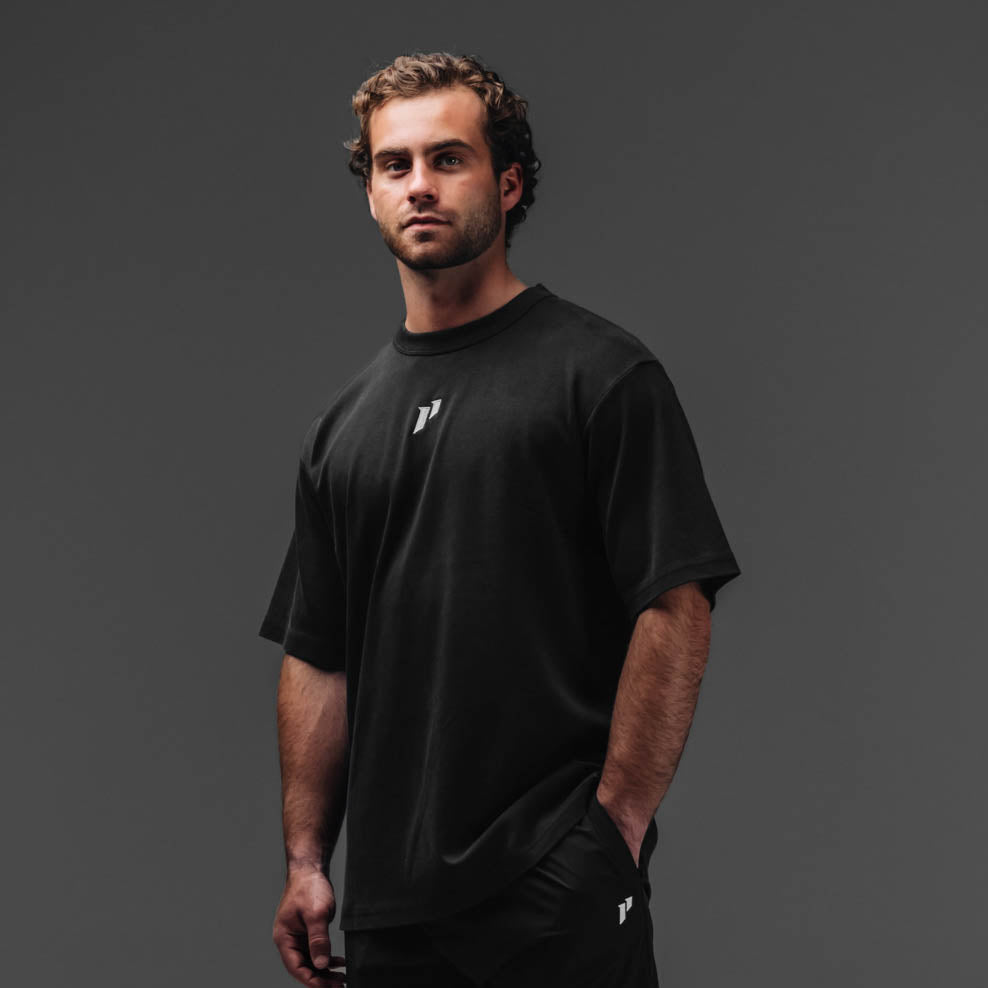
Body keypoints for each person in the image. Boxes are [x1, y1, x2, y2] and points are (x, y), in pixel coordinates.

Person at [259, 50, 741, 987]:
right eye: (394, 165)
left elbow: (676, 606)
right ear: (371, 194)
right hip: (391, 915)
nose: (419, 184)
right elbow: (319, 656)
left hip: (552, 887)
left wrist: (614, 832)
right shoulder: (341, 430)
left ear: (509, 183)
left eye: (449, 159)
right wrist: (307, 862)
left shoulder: (601, 375)